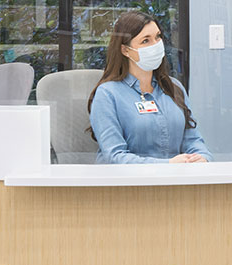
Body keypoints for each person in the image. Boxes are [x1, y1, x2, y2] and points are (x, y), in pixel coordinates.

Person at [88, 10, 212, 165]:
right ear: (125, 50)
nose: (155, 45)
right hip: (130, 185)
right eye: (145, 41)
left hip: (177, 182)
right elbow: (114, 156)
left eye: (157, 37)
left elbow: (193, 140)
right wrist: (166, 166)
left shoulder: (174, 87)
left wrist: (202, 157)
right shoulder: (107, 95)